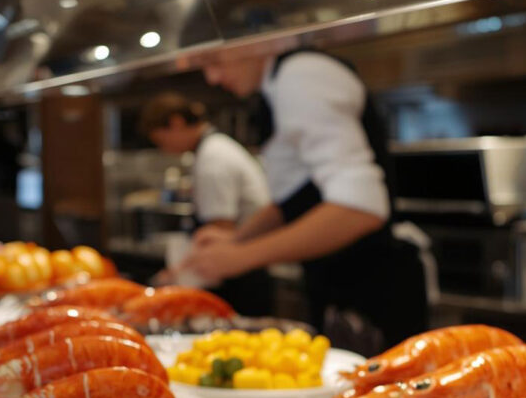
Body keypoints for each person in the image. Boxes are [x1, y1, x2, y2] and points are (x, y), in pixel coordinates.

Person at [184, 48, 428, 352]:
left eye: (214, 60)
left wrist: (241, 257)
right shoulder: (275, 86)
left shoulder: (300, 76)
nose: (212, 77)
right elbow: (292, 199)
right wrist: (235, 239)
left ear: (260, 39)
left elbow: (361, 208)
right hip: (335, 284)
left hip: (373, 291)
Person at [138, 92, 272, 316]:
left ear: (176, 123)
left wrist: (178, 274)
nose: (164, 149)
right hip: (243, 264)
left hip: (242, 275)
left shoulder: (213, 158)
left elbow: (219, 232)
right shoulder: (213, 149)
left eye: (160, 139)